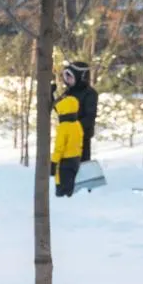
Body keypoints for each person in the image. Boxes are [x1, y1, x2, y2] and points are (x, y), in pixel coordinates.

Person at [51, 60, 97, 198]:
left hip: (82, 136)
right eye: (66, 77)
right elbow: (59, 108)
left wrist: (74, 128)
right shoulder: (68, 92)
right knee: (66, 166)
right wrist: (51, 95)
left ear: (81, 77)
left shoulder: (90, 94)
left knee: (83, 162)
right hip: (67, 137)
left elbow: (90, 117)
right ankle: (67, 189)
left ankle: (85, 191)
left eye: (70, 76)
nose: (67, 80)